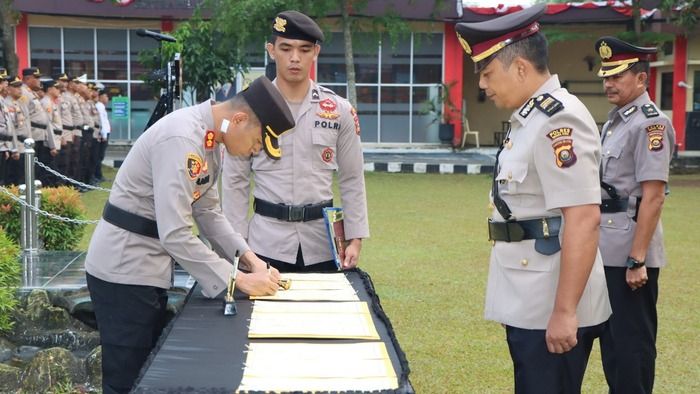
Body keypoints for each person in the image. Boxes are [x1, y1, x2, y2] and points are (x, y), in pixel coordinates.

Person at [84, 76, 295, 394]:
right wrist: (236, 280)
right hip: (123, 269)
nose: (254, 151)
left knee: (146, 376)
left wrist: (251, 260)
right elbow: (176, 233)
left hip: (147, 268)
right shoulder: (183, 139)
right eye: (256, 142)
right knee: (126, 381)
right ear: (238, 119)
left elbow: (209, 213)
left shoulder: (211, 139)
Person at [455, 4, 611, 392]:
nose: (483, 85)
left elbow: (583, 218)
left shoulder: (559, 120)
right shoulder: (529, 119)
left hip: (550, 303)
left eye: (488, 73)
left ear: (521, 67)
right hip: (531, 295)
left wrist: (564, 312)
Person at [222, 10, 369, 273]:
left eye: (304, 49)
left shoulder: (338, 110)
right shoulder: (247, 110)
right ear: (271, 50)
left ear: (316, 52)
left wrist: (355, 236)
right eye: (286, 48)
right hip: (265, 244)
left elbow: (352, 177)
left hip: (323, 244)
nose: (294, 58)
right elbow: (235, 181)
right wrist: (237, 243)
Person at [594, 37, 675, 394]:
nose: (609, 83)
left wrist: (637, 258)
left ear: (641, 79)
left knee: (632, 350)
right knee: (612, 347)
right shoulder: (616, 122)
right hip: (604, 246)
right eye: (606, 76)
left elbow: (653, 197)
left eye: (618, 76)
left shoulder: (649, 125)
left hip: (629, 253)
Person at [21, 67, 57, 186]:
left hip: (40, 135)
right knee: (32, 168)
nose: (39, 80)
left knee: (37, 168)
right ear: (27, 78)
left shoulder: (31, 93)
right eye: (36, 78)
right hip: (33, 135)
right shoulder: (24, 93)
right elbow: (24, 116)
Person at [94, 87, 110, 183]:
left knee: (100, 156)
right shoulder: (99, 106)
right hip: (103, 133)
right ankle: (97, 175)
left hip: (105, 132)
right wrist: (103, 134)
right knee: (98, 156)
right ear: (100, 97)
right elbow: (102, 122)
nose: (107, 98)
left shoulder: (102, 106)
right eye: (106, 96)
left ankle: (98, 175)